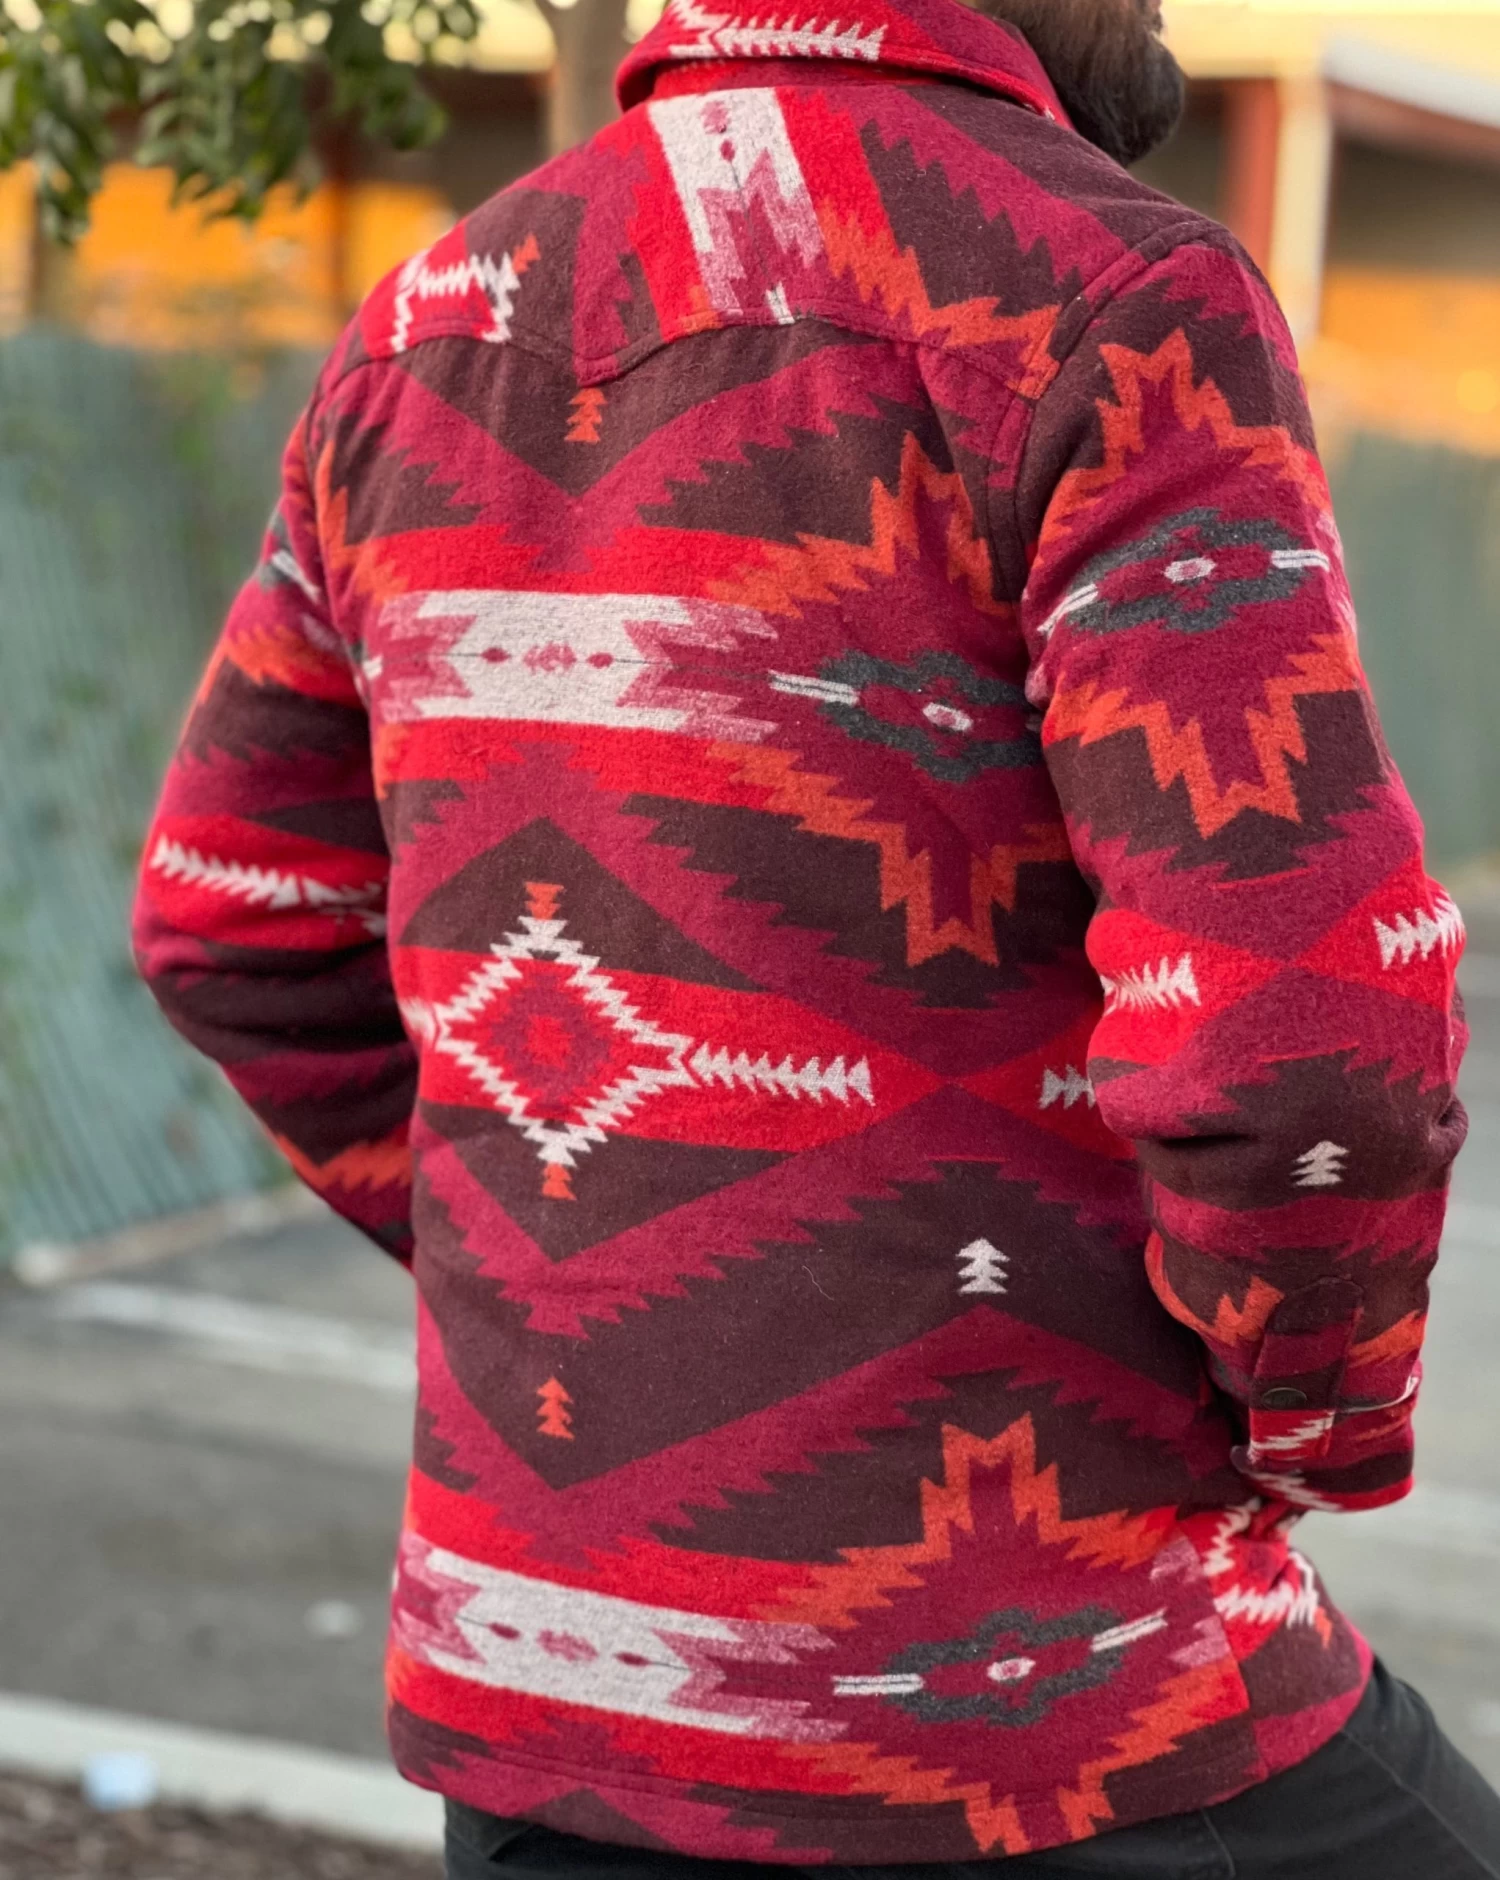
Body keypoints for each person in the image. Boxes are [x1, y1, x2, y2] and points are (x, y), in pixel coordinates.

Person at [132, 0, 1498, 1872]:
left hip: (547, 1707)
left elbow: (231, 919)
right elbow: (1306, 1036)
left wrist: (568, 1277)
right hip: (1019, 1704)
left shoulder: (422, 326)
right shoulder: (1108, 296)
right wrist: (1317, 1414)